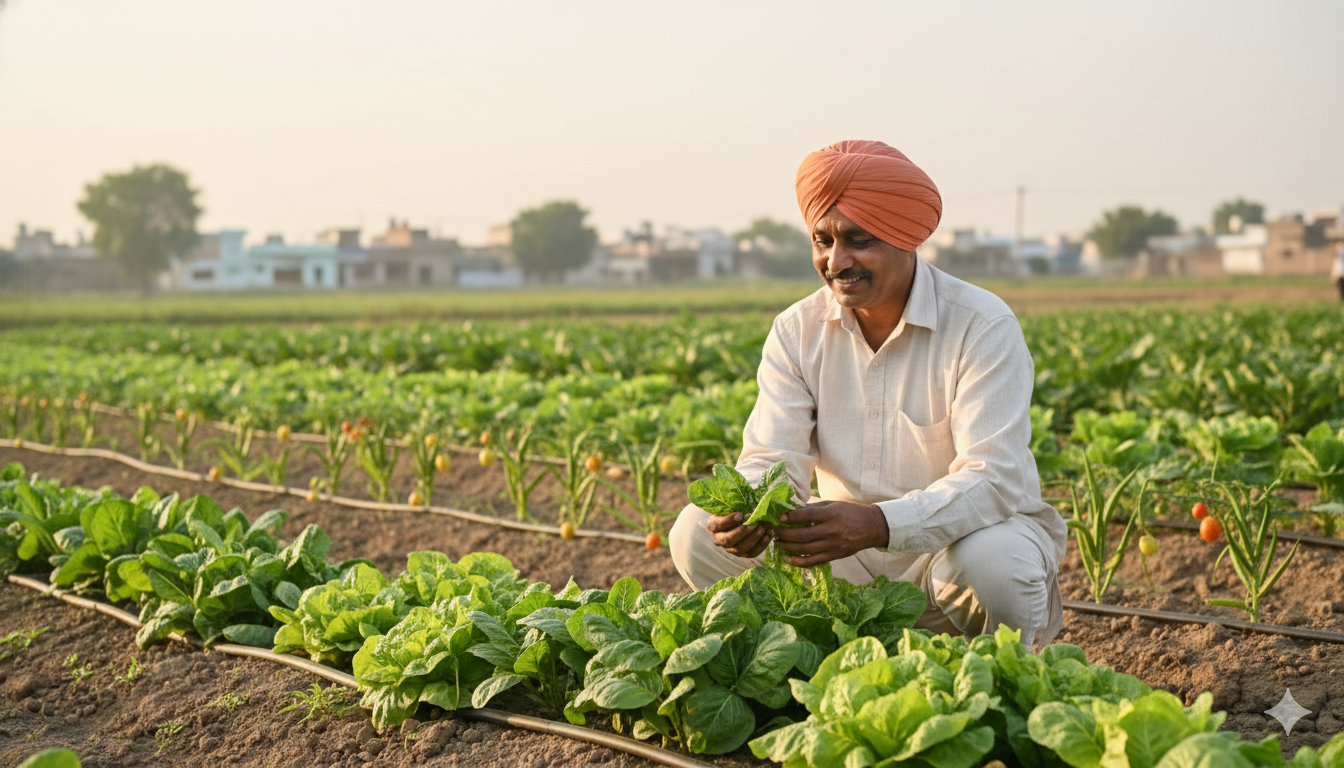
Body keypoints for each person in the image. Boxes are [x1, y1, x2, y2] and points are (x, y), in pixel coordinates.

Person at [669, 139, 1067, 648]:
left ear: (906, 238)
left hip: (954, 553)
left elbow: (994, 479)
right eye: (822, 240)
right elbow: (772, 458)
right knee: (693, 532)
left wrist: (880, 523)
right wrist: (750, 513)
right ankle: (816, 657)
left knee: (993, 562)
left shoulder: (981, 325)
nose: (837, 260)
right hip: (846, 560)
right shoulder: (797, 331)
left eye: (858, 240)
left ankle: (1010, 669)